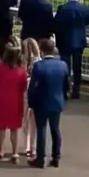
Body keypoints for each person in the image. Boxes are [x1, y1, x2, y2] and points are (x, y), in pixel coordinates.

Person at [29, 40, 70, 168]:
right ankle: (56, 157)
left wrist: (31, 102)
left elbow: (32, 87)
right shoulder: (63, 65)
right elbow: (66, 85)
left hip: (41, 103)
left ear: (42, 50)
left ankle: (40, 159)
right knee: (55, 129)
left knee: (41, 130)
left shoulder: (38, 66)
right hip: (57, 102)